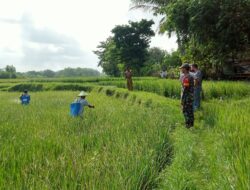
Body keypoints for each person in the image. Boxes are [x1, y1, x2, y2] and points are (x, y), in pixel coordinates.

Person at [179, 63, 194, 128]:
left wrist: (182, 100)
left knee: (185, 110)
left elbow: (185, 89)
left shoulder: (187, 77)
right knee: (190, 110)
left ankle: (188, 124)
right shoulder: (188, 76)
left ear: (185, 69)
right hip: (189, 96)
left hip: (187, 97)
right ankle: (191, 124)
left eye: (182, 68)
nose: (181, 69)